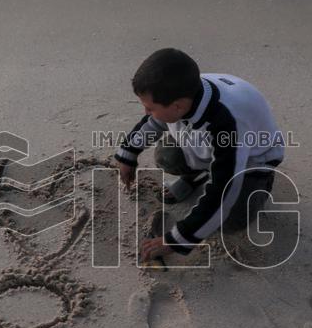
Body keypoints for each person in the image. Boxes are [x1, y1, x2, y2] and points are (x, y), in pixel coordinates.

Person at [114, 48, 286, 261]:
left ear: (177, 106)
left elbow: (224, 191)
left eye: (150, 107)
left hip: (254, 159)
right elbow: (154, 122)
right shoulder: (180, 91)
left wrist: (178, 239)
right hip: (205, 142)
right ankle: (196, 176)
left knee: (231, 220)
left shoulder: (227, 124)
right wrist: (128, 154)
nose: (146, 112)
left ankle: (262, 185)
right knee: (167, 155)